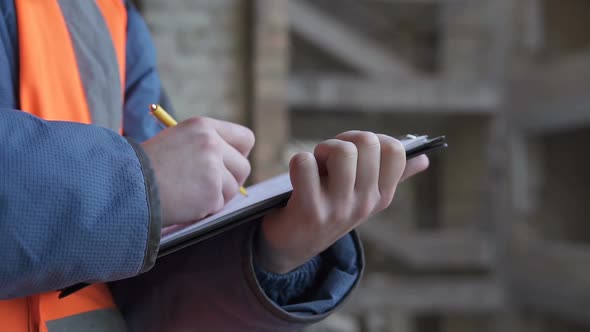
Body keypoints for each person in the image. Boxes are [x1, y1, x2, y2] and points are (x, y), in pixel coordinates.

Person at [0, 1, 429, 331]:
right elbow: (138, 194)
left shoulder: (110, 18)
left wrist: (268, 256)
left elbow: (130, 291)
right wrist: (132, 187)